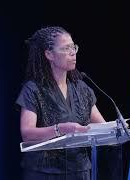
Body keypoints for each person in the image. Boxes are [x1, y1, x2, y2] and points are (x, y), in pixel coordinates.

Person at [16, 26, 106, 180]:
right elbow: (27, 133)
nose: (73, 52)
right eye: (66, 48)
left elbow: (101, 127)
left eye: (73, 47)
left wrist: (117, 128)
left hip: (79, 171)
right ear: (49, 54)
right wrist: (60, 129)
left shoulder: (82, 88)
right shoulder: (34, 89)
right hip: (44, 173)